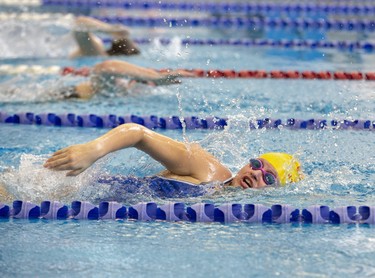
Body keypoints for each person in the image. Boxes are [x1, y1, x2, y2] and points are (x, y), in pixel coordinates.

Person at [44, 123, 304, 190]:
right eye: (257, 164)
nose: (257, 173)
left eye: (269, 178)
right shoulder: (211, 172)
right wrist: (93, 150)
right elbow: (138, 134)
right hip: (69, 187)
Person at [61, 59, 195, 99]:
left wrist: (155, 79)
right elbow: (105, 66)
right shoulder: (113, 88)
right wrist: (156, 78)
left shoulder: (121, 90)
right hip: (67, 95)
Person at [70, 16, 140, 58]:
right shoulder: (97, 51)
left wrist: (112, 30)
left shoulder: (97, 52)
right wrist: (111, 29)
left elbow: (80, 23)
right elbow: (79, 23)